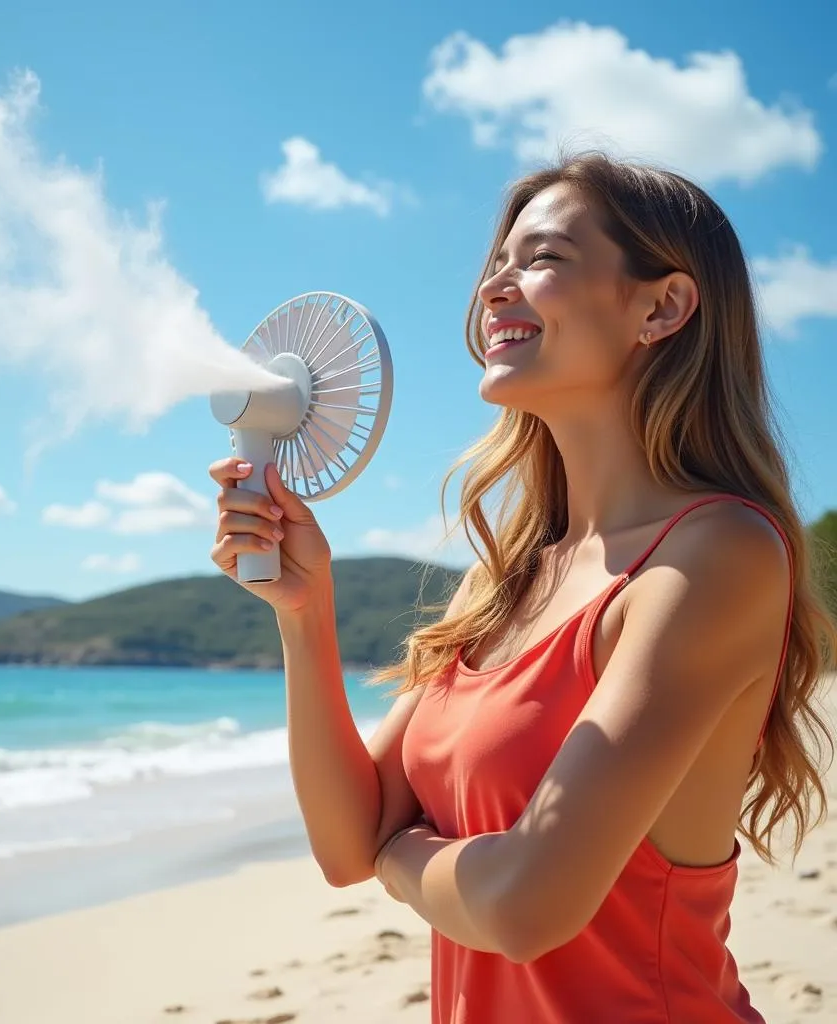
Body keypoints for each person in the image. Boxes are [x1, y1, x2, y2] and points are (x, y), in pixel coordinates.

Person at [208, 152, 836, 1023]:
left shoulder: (716, 557)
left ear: (662, 306)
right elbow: (346, 842)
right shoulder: (507, 580)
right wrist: (305, 616)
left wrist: (402, 854)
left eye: (540, 259)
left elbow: (525, 906)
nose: (495, 289)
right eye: (495, 266)